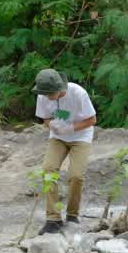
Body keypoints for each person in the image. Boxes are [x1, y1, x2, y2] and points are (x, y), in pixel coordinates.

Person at [33, 68, 97, 235]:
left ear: (58, 89)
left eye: (49, 94)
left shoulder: (78, 93)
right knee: (48, 169)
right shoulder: (42, 95)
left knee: (76, 175)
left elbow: (92, 120)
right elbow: (45, 118)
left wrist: (71, 128)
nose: (46, 97)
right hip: (58, 137)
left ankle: (72, 215)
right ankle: (53, 219)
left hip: (80, 137)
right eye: (44, 93)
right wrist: (52, 125)